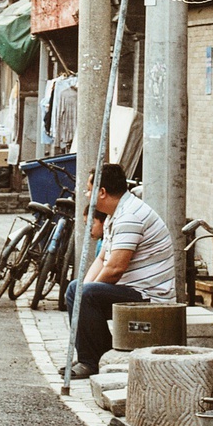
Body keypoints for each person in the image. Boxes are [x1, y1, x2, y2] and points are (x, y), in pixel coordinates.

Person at [63, 162, 175, 379]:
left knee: (85, 295)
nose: (87, 194)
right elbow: (102, 258)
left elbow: (115, 269)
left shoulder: (130, 215)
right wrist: (83, 290)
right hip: (131, 288)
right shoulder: (115, 214)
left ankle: (90, 361)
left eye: (89, 189)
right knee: (77, 290)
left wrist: (85, 294)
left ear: (102, 192)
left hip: (148, 295)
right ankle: (95, 355)